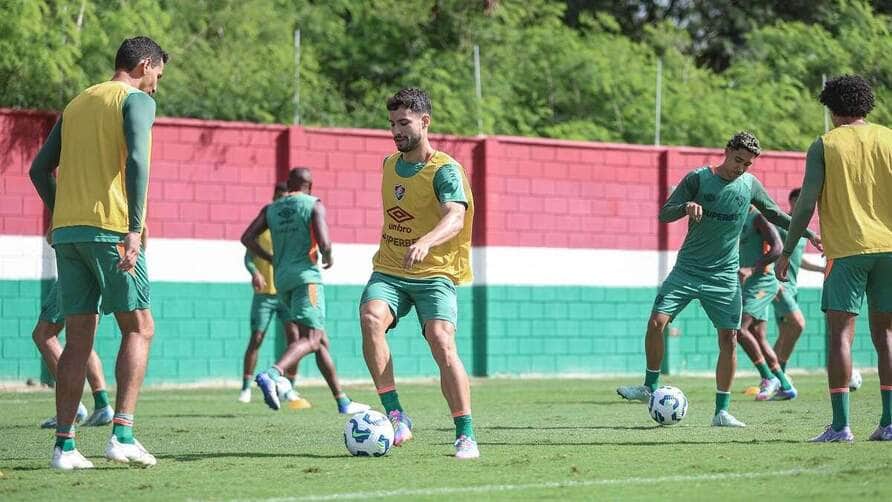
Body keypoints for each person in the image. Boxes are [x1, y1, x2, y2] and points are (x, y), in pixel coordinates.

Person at [616, 132, 820, 427]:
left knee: (729, 339)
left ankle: (721, 412)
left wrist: (809, 233)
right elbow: (664, 214)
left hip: (724, 275)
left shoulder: (750, 185)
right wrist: (685, 207)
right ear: (727, 151)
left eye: (747, 164)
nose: (741, 168)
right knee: (657, 322)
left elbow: (775, 213)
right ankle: (649, 386)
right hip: (687, 269)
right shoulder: (698, 178)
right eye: (738, 160)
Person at [30, 36, 167, 470]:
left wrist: (61, 212)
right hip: (111, 230)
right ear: (144, 65)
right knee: (139, 328)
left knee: (77, 338)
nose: (156, 85)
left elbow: (39, 169)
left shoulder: (76, 103)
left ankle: (65, 447)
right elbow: (138, 161)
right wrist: (134, 229)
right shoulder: (136, 100)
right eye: (158, 75)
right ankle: (121, 435)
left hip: (69, 233)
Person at [359, 88, 479, 459]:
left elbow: (455, 216)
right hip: (391, 269)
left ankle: (465, 434)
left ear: (424, 122)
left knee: (441, 340)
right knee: (370, 317)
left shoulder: (444, 170)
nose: (396, 131)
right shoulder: (388, 164)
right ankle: (396, 414)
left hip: (435, 271)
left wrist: (426, 241)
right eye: (392, 124)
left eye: (404, 123)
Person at [777, 75, 892, 442]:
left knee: (841, 335)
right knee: (887, 335)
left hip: (847, 251)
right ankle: (889, 423)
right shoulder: (889, 138)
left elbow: (805, 204)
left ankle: (841, 427)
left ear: (831, 109)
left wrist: (788, 250)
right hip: (889, 250)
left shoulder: (825, 145)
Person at [241, 168, 369, 415]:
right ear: (310, 186)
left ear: (289, 184)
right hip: (306, 279)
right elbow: (324, 242)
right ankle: (273, 374)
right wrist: (328, 256)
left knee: (320, 341)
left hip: (282, 281)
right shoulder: (313, 204)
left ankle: (342, 401)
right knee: (311, 339)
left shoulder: (271, 209)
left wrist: (271, 258)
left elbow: (247, 238)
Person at [237, 182, 299, 405]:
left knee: (294, 339)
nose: (281, 201)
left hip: (286, 293)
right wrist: (254, 272)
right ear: (273, 197)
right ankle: (246, 387)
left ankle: (289, 387)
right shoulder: (262, 227)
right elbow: (248, 257)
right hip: (264, 295)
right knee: (256, 338)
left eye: (285, 197)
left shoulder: (292, 228)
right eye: (278, 197)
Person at [735, 207, 797, 401]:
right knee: (757, 335)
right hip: (749, 284)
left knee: (740, 329)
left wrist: (752, 269)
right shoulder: (738, 216)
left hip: (762, 282)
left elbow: (777, 248)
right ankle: (785, 385)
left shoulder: (758, 217)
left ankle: (768, 377)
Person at [35, 279, 114, 429]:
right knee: (83, 339)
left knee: (44, 334)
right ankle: (102, 405)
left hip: (75, 274)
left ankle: (73, 406)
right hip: (97, 276)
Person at [771, 188, 825, 371]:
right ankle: (779, 372)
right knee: (796, 326)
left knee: (786, 333)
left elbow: (797, 259)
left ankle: (773, 376)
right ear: (793, 202)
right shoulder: (780, 225)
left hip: (793, 288)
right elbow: (769, 251)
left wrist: (820, 269)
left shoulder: (803, 231)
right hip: (779, 286)